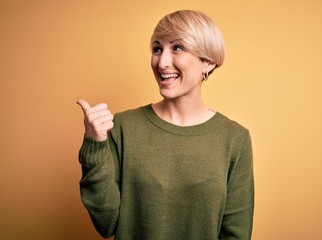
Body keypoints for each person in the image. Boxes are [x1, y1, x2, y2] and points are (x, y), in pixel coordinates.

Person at [77, 10, 254, 240]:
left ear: (208, 62)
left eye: (177, 48)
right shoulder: (122, 127)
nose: (162, 62)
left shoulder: (235, 139)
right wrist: (95, 146)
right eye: (157, 49)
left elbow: (236, 234)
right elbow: (106, 224)